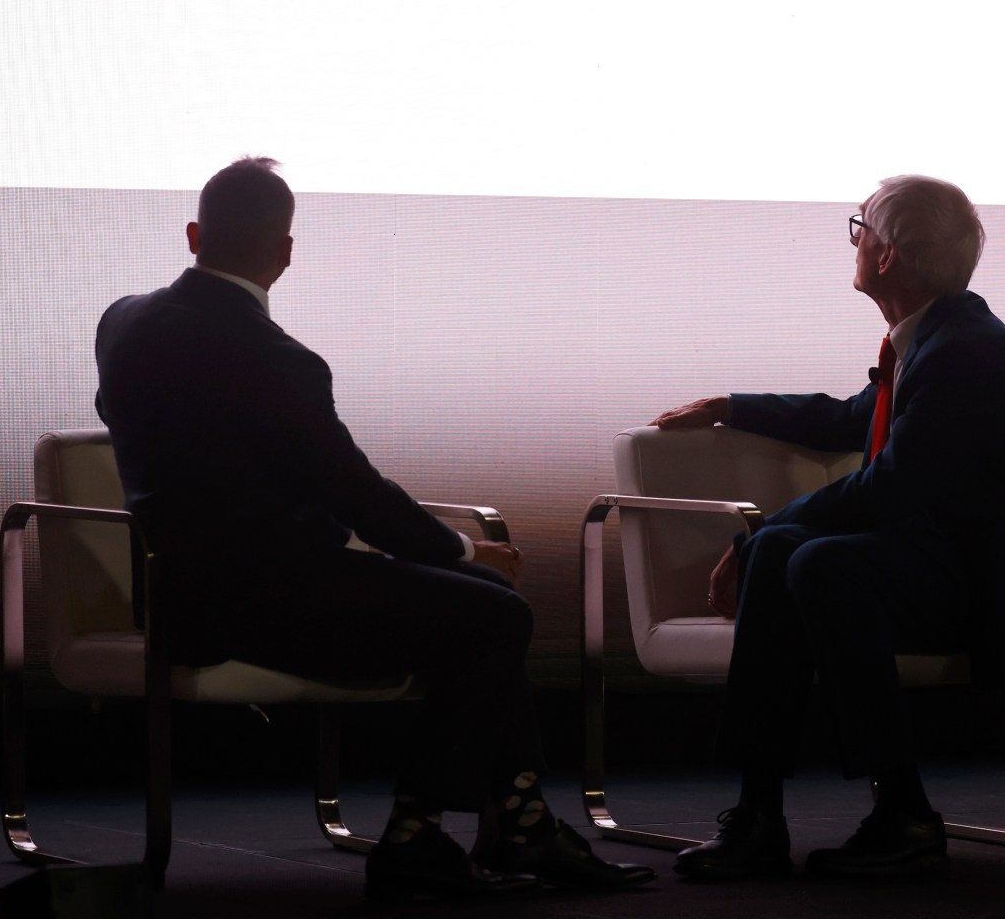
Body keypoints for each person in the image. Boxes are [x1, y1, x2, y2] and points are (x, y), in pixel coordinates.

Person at [93, 157, 655, 901]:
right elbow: (352, 491)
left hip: (179, 600)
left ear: (195, 234)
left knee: (480, 607)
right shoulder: (279, 359)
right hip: (269, 605)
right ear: (286, 252)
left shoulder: (123, 320)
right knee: (494, 611)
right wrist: (461, 545)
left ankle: (517, 818)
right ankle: (424, 832)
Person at [652, 175, 1005, 882]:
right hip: (943, 561)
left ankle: (903, 812)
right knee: (793, 549)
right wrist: (735, 405)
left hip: (993, 584)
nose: (854, 242)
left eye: (861, 229)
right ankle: (759, 813)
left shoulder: (964, 351)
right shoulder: (935, 336)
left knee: (814, 561)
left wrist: (749, 538)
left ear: (888, 257)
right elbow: (856, 418)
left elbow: (892, 484)